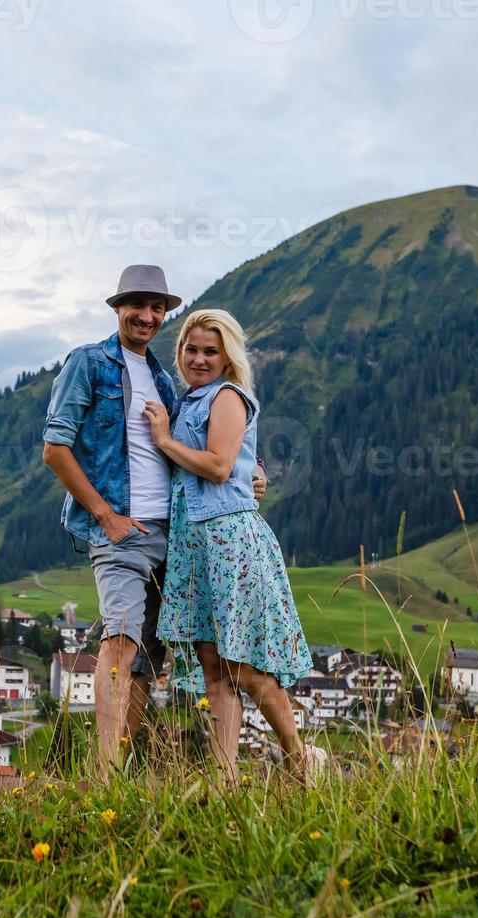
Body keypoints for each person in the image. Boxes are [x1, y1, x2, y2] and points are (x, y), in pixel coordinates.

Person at [42, 266, 265, 777]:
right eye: (137, 305)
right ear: (117, 307)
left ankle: (119, 771)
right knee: (120, 636)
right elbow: (55, 449)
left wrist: (252, 474)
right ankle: (104, 774)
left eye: (157, 308)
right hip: (122, 531)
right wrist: (106, 516)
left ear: (165, 314)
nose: (147, 316)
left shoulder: (166, 381)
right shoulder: (88, 363)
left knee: (149, 657)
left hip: (177, 535)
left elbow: (206, 446)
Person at [143, 309, 323, 784]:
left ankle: (300, 758)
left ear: (227, 357)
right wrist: (255, 468)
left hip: (228, 543)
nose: (199, 359)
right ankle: (224, 782)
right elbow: (241, 459)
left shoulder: (226, 395)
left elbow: (220, 466)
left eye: (210, 350)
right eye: (191, 348)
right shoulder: (191, 399)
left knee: (242, 665)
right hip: (195, 546)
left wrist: (162, 439)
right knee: (213, 669)